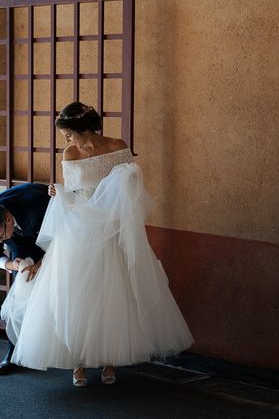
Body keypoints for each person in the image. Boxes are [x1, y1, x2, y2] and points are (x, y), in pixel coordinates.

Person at [11, 102, 194, 386]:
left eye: (68, 133)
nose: (66, 140)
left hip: (110, 230)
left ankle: (109, 360)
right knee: (76, 295)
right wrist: (57, 192)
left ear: (83, 129)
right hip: (78, 232)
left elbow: (130, 187)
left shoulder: (117, 146)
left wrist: (129, 179)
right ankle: (78, 363)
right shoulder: (70, 153)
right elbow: (72, 193)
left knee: (110, 294)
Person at [0, 183, 50, 374]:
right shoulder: (2, 224)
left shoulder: (36, 202)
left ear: (8, 218)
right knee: (19, 289)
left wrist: (40, 264)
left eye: (1, 236)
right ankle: (14, 353)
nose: (1, 242)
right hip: (20, 242)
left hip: (49, 236)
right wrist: (12, 265)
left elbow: (62, 237)